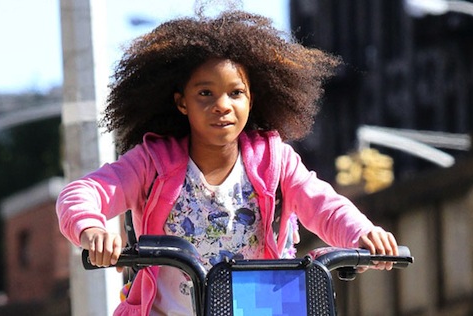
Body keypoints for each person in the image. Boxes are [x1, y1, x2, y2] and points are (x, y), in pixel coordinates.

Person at [56, 8, 398, 316]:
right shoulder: (152, 162)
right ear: (181, 103)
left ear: (252, 99)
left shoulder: (274, 159)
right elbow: (83, 194)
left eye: (236, 93)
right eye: (205, 93)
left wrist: (363, 233)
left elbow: (326, 206)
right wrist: (92, 231)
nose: (222, 105)